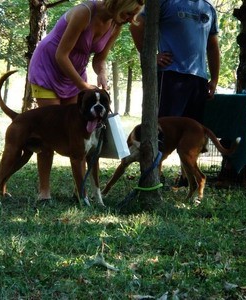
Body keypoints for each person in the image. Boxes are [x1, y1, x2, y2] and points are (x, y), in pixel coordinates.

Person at [28, 0, 144, 201]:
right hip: (48, 68)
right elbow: (61, 55)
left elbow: (99, 59)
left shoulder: (116, 24)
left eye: (133, 16)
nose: (129, 20)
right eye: (127, 14)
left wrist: (101, 75)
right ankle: (44, 193)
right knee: (48, 132)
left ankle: (79, 191)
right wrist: (83, 86)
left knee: (79, 131)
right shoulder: (84, 13)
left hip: (74, 74)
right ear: (117, 4)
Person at [129, 0, 220, 188]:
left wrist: (214, 79)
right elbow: (136, 24)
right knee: (162, 129)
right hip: (170, 75)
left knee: (192, 132)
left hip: (198, 79)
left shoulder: (208, 9)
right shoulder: (164, 3)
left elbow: (213, 46)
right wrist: (150, 55)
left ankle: (187, 179)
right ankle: (154, 177)